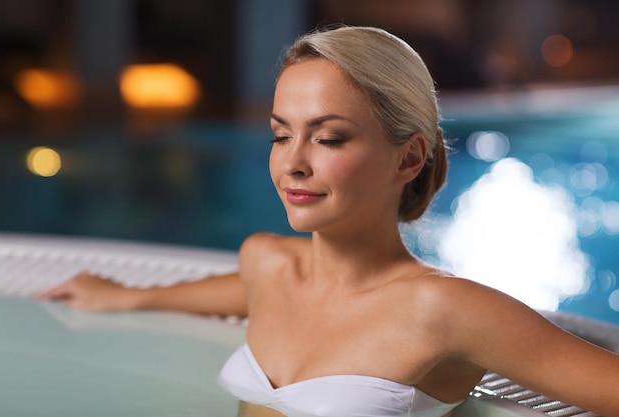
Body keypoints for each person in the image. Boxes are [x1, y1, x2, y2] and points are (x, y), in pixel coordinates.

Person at [39, 26, 619, 417]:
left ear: (409, 157)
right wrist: (126, 298)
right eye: (280, 134)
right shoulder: (266, 262)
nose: (293, 163)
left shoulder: (445, 311)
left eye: (329, 137)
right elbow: (239, 288)